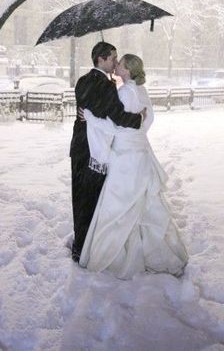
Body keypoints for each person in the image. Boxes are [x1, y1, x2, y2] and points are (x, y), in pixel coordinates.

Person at [79, 54, 188, 279]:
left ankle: (116, 258)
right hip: (140, 153)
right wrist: (136, 135)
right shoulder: (141, 91)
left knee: (119, 205)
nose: (116, 65)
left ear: (127, 70)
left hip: (125, 157)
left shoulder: (124, 92)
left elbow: (114, 127)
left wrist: (89, 117)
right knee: (142, 205)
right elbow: (147, 122)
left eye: (119, 63)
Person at [70, 42, 146, 262]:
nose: (115, 62)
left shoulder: (83, 81)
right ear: (100, 59)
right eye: (112, 58)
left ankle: (79, 244)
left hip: (79, 147)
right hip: (95, 150)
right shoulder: (105, 85)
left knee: (80, 197)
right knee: (92, 199)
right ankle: (86, 249)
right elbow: (117, 117)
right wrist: (138, 117)